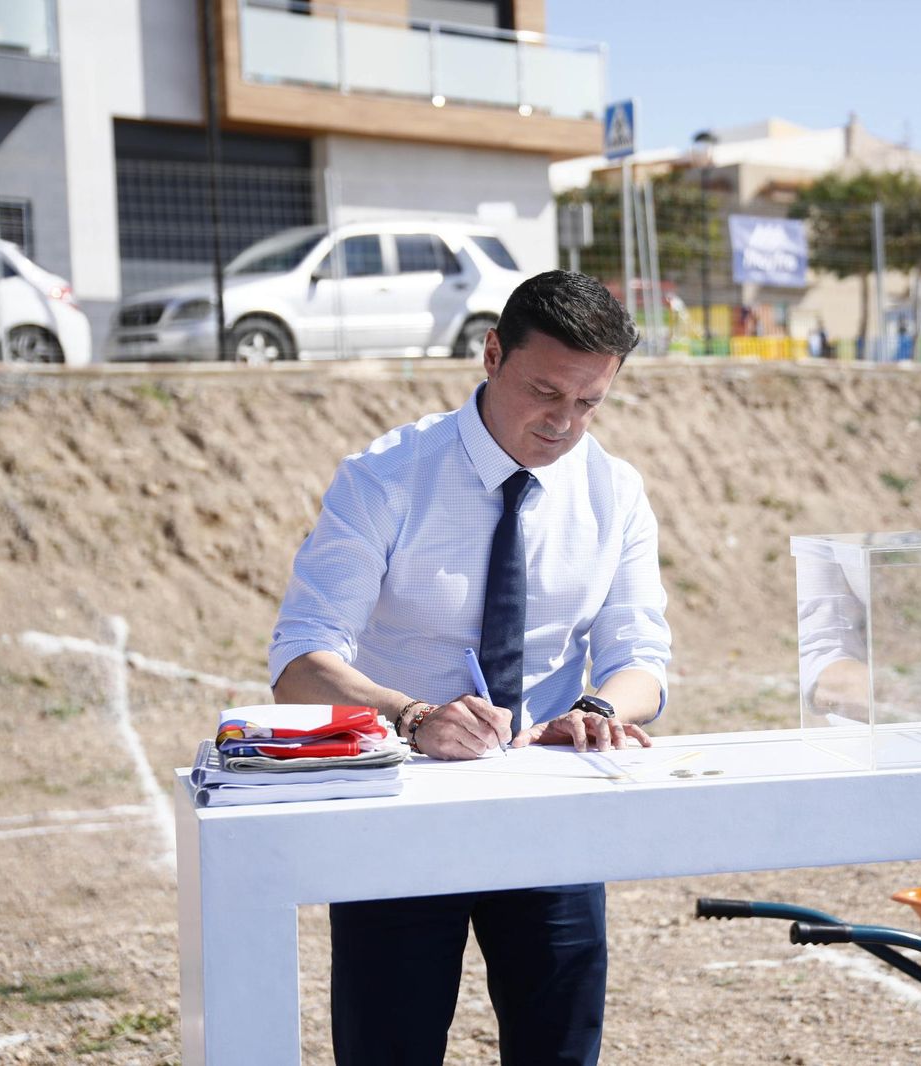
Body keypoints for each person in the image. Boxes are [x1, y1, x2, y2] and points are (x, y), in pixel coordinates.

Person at [268, 270, 672, 1066]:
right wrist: (413, 717)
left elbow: (642, 662)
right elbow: (300, 662)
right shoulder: (384, 477)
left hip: (550, 810)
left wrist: (596, 708)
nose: (563, 422)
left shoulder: (615, 491)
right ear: (491, 355)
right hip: (399, 809)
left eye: (589, 402)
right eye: (545, 392)